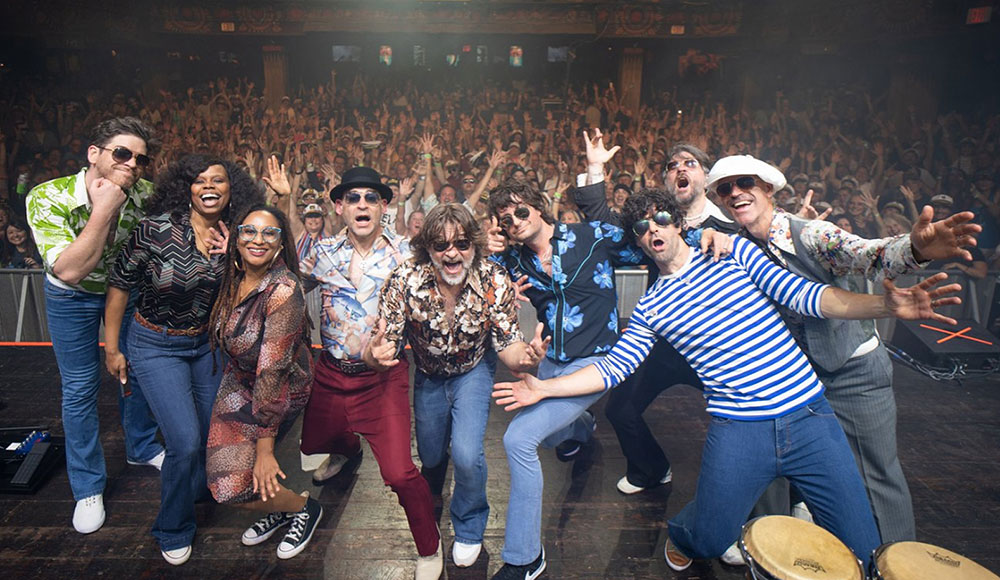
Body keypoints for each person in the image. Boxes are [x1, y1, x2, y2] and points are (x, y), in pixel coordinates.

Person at [492, 187, 962, 571]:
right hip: (740, 430)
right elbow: (615, 366)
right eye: (641, 227)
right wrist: (545, 387)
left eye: (660, 219)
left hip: (810, 420)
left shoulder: (734, 254)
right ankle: (682, 531)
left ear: (678, 223)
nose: (652, 229)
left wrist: (886, 306)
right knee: (711, 537)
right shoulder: (652, 308)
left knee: (860, 547)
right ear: (637, 242)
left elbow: (812, 298)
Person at [705, 154, 982, 547]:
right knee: (769, 472)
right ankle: (775, 559)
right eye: (725, 189)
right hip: (789, 381)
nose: (735, 193)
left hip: (852, 375)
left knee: (875, 478)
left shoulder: (812, 234)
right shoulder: (731, 248)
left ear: (767, 188)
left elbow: (869, 255)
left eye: (744, 182)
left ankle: (893, 566)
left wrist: (915, 249)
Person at [484, 138, 645, 579]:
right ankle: (582, 424)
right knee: (559, 440)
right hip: (551, 360)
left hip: (596, 363)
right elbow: (481, 290)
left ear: (539, 209)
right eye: (504, 219)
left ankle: (525, 558)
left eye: (521, 211)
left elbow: (633, 240)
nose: (514, 222)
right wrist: (489, 260)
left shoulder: (587, 236)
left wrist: (595, 175)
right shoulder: (513, 261)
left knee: (519, 441)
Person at [365, 203, 548, 569]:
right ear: (426, 248)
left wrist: (525, 360)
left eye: (462, 243)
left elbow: (509, 344)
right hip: (429, 375)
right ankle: (432, 495)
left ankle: (469, 522)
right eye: (440, 244)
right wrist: (375, 355)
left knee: (466, 454)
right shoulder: (404, 279)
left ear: (474, 246)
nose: (452, 253)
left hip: (473, 371)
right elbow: (382, 347)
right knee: (431, 456)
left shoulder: (494, 279)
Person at [103, 155, 263, 564]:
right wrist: (112, 347)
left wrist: (238, 257)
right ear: (185, 188)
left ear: (232, 190)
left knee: (213, 434)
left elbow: (259, 287)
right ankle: (173, 526)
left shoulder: (238, 236)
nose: (209, 186)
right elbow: (120, 286)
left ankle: (193, 488)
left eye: (218, 180)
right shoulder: (154, 230)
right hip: (155, 344)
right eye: (199, 180)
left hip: (205, 346)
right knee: (185, 442)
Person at [298, 166, 444, 579]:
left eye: (371, 198)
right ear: (340, 207)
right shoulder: (321, 252)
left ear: (383, 207)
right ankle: (347, 448)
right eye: (353, 198)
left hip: (382, 379)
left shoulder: (406, 253)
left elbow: (442, 288)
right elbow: (288, 286)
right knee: (312, 448)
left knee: (399, 472)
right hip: (330, 371)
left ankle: (430, 547)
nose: (362, 205)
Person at [573, 139, 738, 496]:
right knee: (620, 408)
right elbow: (604, 224)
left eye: (689, 163)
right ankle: (650, 469)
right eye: (672, 164)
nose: (680, 168)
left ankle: (776, 492)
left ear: (706, 176)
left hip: (716, 346)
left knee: (744, 416)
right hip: (662, 340)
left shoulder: (731, 223)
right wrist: (596, 169)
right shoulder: (649, 224)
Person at [26, 117, 163, 535]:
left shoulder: (143, 193)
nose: (132, 164)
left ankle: (141, 448)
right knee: (81, 387)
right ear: (94, 154)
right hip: (72, 295)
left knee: (136, 369)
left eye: (139, 159)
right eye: (122, 153)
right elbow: (70, 270)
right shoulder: (47, 197)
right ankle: (87, 487)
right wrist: (104, 210)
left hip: (124, 290)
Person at [205, 204, 319, 560]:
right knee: (227, 487)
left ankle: (305, 508)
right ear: (236, 239)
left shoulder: (283, 290)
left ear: (281, 243)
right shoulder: (232, 277)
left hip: (279, 389)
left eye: (269, 233)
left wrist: (265, 450)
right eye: (249, 231)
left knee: (250, 475)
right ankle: (285, 508)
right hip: (240, 381)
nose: (258, 239)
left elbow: (273, 371)